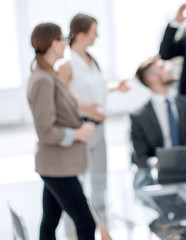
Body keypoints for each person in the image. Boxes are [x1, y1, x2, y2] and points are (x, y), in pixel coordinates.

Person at [57, 13, 129, 239]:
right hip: (80, 133)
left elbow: (91, 89)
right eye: (94, 32)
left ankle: (104, 233)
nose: (97, 36)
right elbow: (60, 99)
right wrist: (86, 109)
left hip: (99, 131)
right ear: (80, 35)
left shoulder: (90, 59)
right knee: (76, 194)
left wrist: (114, 87)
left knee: (100, 188)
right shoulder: (66, 64)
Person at [27, 23, 96, 240]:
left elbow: (59, 115)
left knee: (49, 222)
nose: (67, 42)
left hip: (57, 166)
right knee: (86, 224)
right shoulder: (42, 80)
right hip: (58, 168)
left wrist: (82, 122)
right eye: (64, 38)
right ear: (54, 43)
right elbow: (45, 129)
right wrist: (78, 134)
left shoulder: (48, 75)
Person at [130, 55, 186, 187]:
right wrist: (156, 162)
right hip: (160, 180)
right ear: (152, 79)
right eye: (162, 67)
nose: (170, 67)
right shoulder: (139, 115)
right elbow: (140, 156)